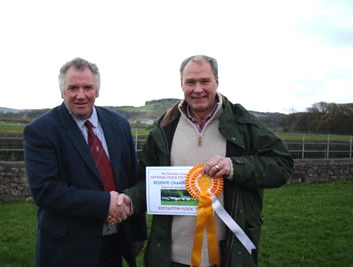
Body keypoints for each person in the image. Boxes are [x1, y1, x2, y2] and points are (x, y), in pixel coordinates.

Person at [124, 55, 294, 266]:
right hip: (170, 257)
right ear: (181, 84)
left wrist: (234, 167)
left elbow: (282, 165)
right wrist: (128, 199)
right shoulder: (163, 129)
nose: (198, 89)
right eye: (190, 82)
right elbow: (146, 182)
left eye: (205, 81)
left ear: (217, 82)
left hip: (228, 255)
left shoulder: (243, 124)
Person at [23, 57, 147, 267]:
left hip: (115, 243)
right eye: (73, 88)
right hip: (68, 249)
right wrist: (104, 203)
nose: (81, 95)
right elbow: (46, 190)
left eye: (87, 87)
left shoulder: (119, 124)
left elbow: (132, 176)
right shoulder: (41, 131)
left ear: (97, 90)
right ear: (62, 91)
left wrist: (137, 232)